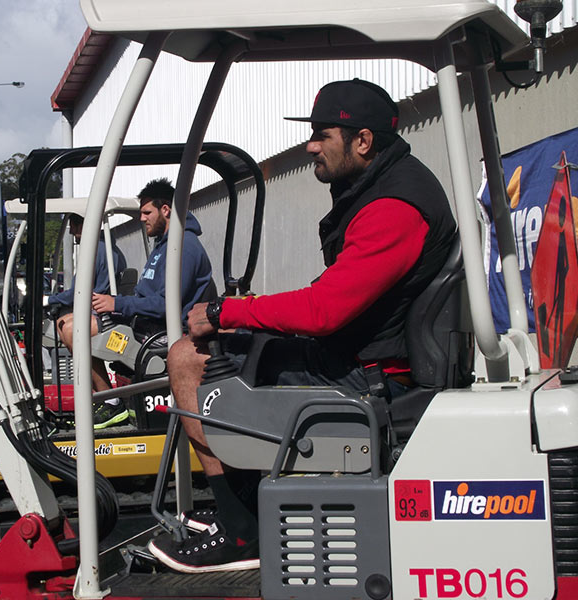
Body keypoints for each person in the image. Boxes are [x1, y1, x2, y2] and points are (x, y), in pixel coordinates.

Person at [149, 79, 457, 573]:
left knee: (188, 358)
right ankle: (247, 505)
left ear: (363, 141)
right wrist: (248, 316)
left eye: (322, 135)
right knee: (239, 343)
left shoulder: (393, 208)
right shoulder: (379, 188)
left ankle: (242, 529)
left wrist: (227, 312)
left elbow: (323, 311)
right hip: (361, 355)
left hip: (370, 377)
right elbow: (336, 295)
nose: (311, 146)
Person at [59, 177, 213, 429]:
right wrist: (117, 305)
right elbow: (147, 296)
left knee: (74, 330)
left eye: (147, 212)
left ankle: (111, 403)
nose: (142, 218)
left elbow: (166, 305)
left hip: (161, 333)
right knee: (67, 323)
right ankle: (107, 398)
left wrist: (117, 305)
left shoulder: (184, 247)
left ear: (166, 210)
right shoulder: (164, 246)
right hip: (145, 323)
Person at [47, 213, 127, 310]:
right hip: (104, 305)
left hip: (95, 308)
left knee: (61, 318)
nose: (71, 232)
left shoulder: (94, 251)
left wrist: (48, 300)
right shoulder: (112, 249)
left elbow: (78, 292)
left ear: (82, 227)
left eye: (72, 227)